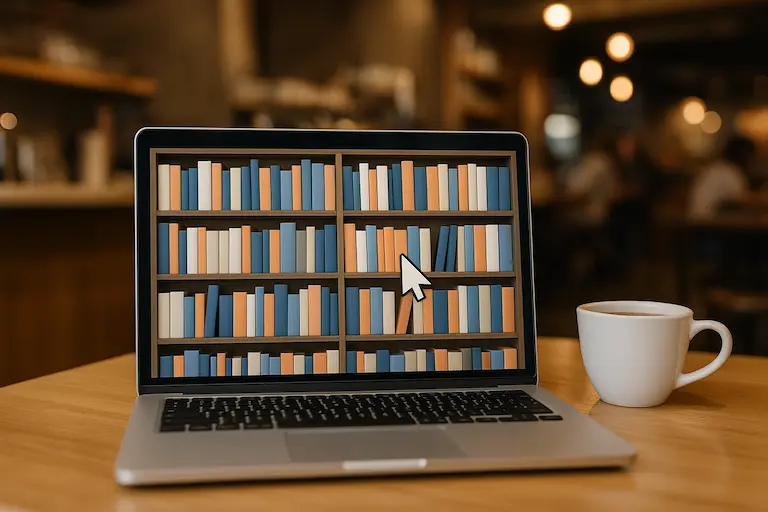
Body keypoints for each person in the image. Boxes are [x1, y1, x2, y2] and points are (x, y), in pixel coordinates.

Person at [688, 135, 756, 219]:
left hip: (697, 219)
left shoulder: (715, 168)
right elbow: (741, 200)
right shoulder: (730, 172)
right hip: (709, 222)